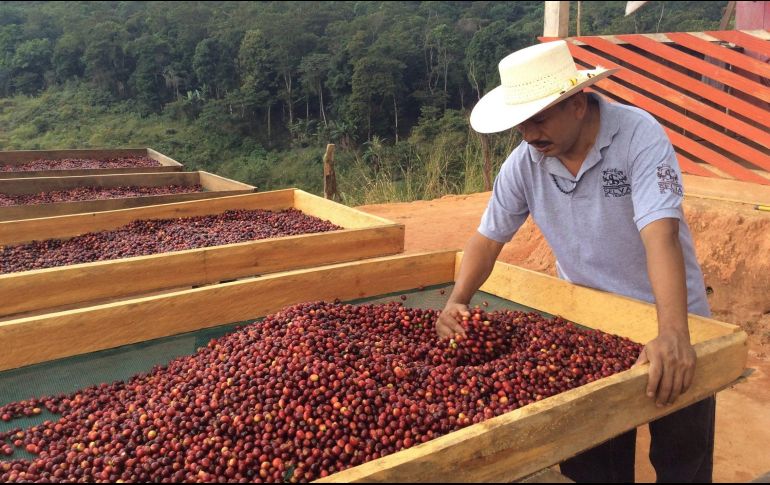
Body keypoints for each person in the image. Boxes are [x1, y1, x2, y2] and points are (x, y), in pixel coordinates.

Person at [435, 40, 715, 483]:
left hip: (672, 317)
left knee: (684, 462)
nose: (530, 135)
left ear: (578, 103)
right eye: (522, 125)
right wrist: (457, 299)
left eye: (540, 120)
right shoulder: (525, 163)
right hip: (588, 326)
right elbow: (487, 239)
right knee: (594, 466)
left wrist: (674, 334)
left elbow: (660, 235)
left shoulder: (639, 137)